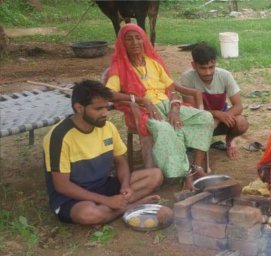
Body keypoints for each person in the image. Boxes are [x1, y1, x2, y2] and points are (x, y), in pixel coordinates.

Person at [43, 80, 163, 225]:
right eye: (98, 109)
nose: (105, 113)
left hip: (103, 185)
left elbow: (121, 161)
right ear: (79, 108)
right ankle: (128, 206)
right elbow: (62, 186)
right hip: (73, 197)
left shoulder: (108, 127)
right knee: (89, 214)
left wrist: (125, 185)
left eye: (107, 107)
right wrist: (107, 200)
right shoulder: (59, 136)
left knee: (155, 175)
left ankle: (112, 208)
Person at [105, 23, 214, 179]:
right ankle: (183, 173)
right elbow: (109, 93)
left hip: (168, 105)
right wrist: (141, 100)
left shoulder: (153, 62)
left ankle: (196, 166)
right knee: (165, 129)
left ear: (144, 40)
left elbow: (171, 88)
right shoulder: (119, 67)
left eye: (138, 38)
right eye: (129, 39)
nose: (135, 43)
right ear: (122, 43)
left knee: (205, 117)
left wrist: (174, 109)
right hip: (143, 111)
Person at [180, 42, 248, 159]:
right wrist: (216, 114)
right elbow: (192, 110)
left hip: (221, 120)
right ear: (193, 65)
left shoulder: (225, 75)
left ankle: (230, 139)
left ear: (215, 63)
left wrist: (220, 117)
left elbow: (238, 106)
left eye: (211, 67)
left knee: (241, 123)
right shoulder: (187, 78)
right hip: (198, 122)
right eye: (203, 68)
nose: (208, 72)